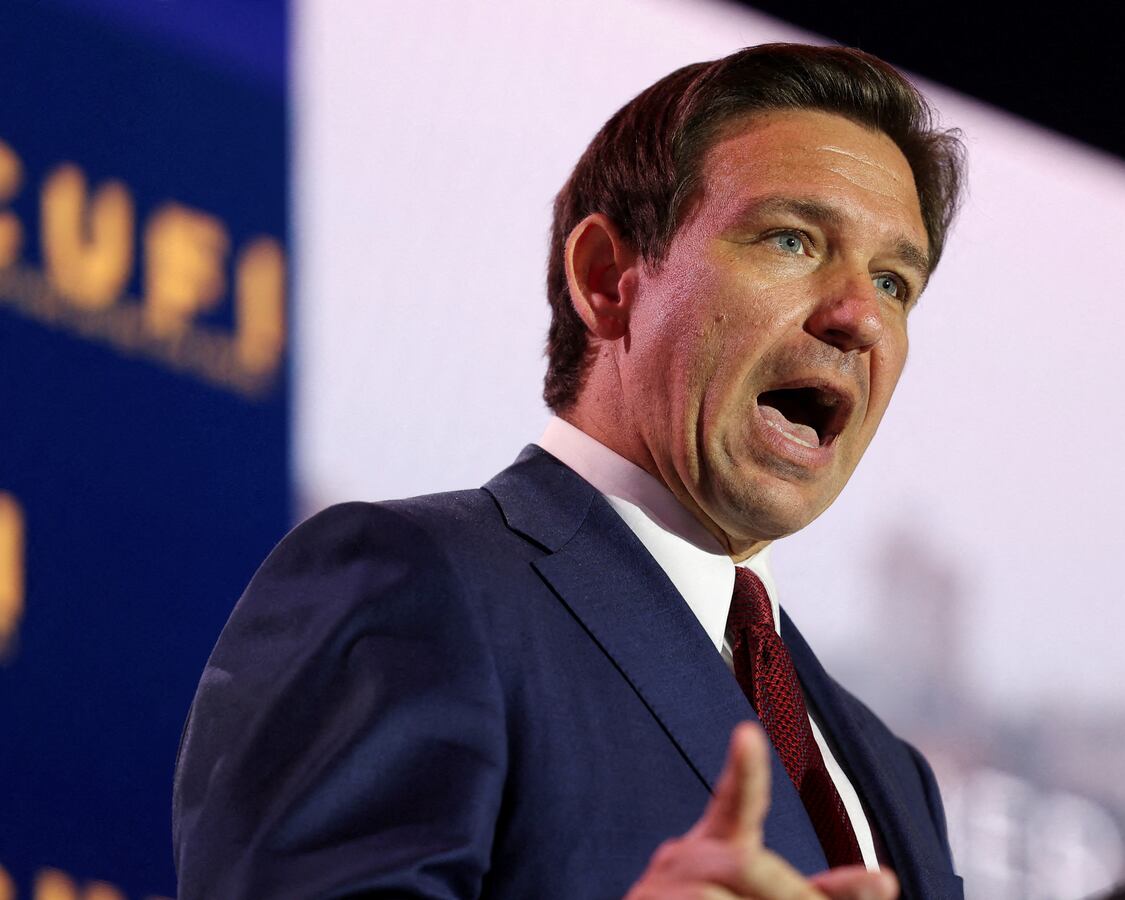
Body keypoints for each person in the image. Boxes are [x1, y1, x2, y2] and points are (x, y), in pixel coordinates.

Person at [172, 42, 966, 899]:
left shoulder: (893, 775)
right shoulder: (411, 584)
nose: (859, 318)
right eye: (792, 239)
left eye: (894, 282)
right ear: (606, 279)